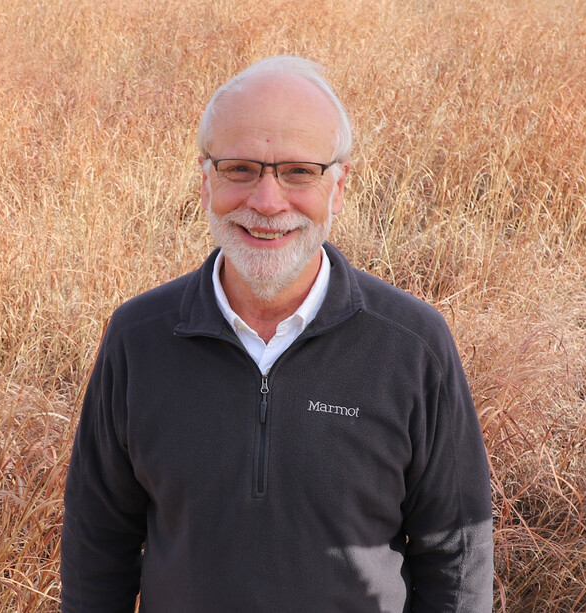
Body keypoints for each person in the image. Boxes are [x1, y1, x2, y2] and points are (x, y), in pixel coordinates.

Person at [60, 55, 493, 612]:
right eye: (240, 169)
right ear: (205, 181)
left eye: (298, 172)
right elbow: (99, 546)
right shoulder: (138, 339)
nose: (267, 203)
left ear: (338, 187)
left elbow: (456, 558)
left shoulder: (413, 347)